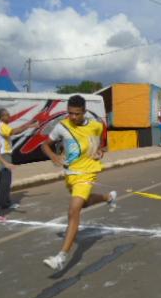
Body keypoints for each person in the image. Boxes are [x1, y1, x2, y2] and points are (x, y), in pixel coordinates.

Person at [41, 95, 117, 271]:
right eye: (69, 113)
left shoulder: (95, 126)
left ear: (84, 112)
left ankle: (61, 257)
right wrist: (54, 156)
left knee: (73, 210)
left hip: (87, 173)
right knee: (84, 203)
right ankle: (108, 197)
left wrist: (100, 151)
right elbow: (45, 145)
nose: (72, 117)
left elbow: (101, 144)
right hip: (70, 174)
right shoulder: (62, 126)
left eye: (76, 114)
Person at [0, 109, 37, 210]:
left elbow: (16, 129)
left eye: (9, 115)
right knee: (5, 180)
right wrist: (28, 126)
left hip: (2, 155)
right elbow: (14, 131)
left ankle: (1, 202)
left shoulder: (0, 125)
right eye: (6, 115)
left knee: (3, 180)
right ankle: (4, 204)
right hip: (4, 155)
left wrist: (29, 123)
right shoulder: (2, 126)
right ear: (0, 117)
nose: (8, 117)